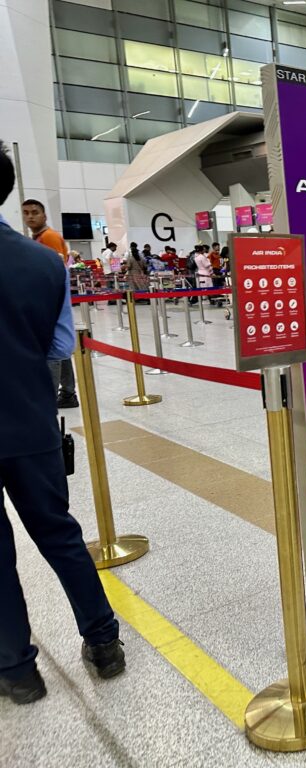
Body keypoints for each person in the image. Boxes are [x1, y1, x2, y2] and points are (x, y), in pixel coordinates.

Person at [0, 141, 126, 705]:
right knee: (59, 531)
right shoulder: (46, 263)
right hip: (29, 420)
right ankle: (104, 643)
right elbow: (59, 345)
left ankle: (18, 671)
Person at [21, 199, 79, 409]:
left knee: (53, 348)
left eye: (35, 212)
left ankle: (51, 398)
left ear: (44, 215)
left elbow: (55, 270)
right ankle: (68, 393)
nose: (30, 217)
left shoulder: (49, 237)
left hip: (50, 302)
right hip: (50, 301)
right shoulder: (39, 239)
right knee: (60, 348)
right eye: (26, 213)